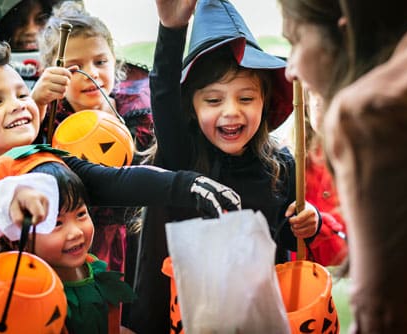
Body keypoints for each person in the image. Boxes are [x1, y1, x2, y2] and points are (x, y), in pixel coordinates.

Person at [127, 1, 322, 332]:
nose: (231, 112)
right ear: (190, 107)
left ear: (266, 101)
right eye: (214, 100)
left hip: (254, 313)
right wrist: (171, 30)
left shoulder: (282, 165)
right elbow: (162, 94)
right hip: (179, 313)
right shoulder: (181, 155)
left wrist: (308, 223)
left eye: (246, 98)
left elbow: (287, 233)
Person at [0, 42, 242, 256]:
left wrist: (188, 185)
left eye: (21, 94)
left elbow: (115, 180)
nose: (18, 104)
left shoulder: (48, 162)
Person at [279, 0, 407, 332]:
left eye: (296, 41)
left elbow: (386, 314)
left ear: (344, 29)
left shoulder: (375, 115)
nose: (290, 69)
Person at [33, 1, 155, 293]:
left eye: (100, 62)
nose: (91, 74)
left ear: (116, 61)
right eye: (75, 68)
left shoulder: (136, 111)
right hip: (84, 242)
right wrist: (37, 101)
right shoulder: (50, 120)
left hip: (137, 235)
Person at [0, 146, 136, 334]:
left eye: (80, 214)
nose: (75, 232)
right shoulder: (29, 293)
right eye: (56, 223)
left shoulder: (92, 266)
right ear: (15, 238)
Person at [288, 89, 348, 266]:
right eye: (322, 100)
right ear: (305, 102)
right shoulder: (289, 160)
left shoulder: (372, 160)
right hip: (303, 278)